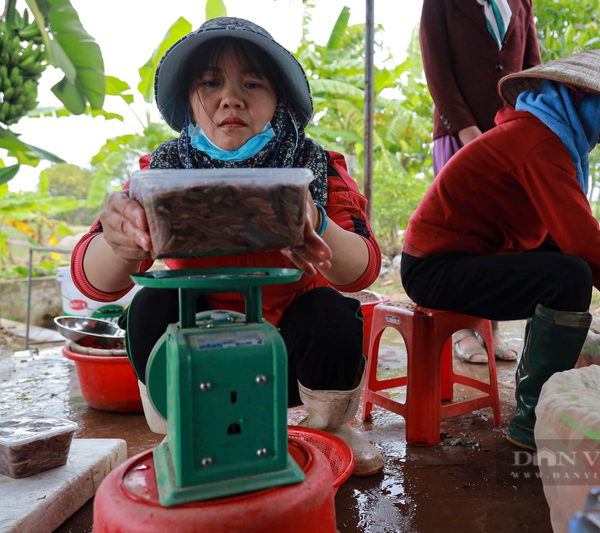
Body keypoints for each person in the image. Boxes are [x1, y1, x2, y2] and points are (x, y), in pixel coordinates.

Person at [69, 18, 384, 476]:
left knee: (333, 313)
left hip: (289, 347)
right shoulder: (160, 172)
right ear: (188, 104)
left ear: (280, 100)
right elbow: (95, 281)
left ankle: (330, 427)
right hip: (198, 342)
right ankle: (184, 425)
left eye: (252, 83)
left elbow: (363, 268)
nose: (230, 98)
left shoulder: (315, 166)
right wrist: (121, 241)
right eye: (210, 83)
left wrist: (313, 221)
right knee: (150, 304)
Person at [400, 50, 600, 451]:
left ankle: (534, 392)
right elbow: (580, 238)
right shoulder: (539, 143)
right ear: (579, 99)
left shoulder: (537, 135)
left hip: (458, 260)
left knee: (569, 269)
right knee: (571, 278)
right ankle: (533, 419)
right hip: (434, 269)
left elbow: (561, 232)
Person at [419, 0, 542, 364]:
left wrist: (524, 126)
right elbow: (437, 70)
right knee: (459, 235)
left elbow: (533, 68)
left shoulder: (522, 3)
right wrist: (470, 133)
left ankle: (493, 328)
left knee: (500, 234)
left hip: (507, 133)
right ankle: (461, 329)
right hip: (459, 133)